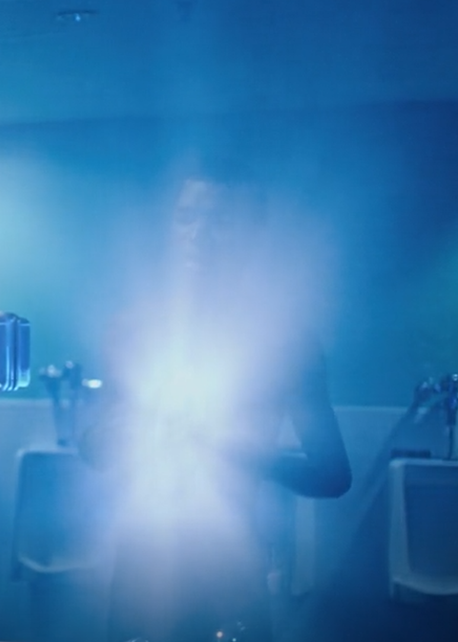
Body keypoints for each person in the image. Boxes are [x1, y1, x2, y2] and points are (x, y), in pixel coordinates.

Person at [80, 158, 352, 642]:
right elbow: (92, 447)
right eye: (187, 217)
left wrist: (236, 449)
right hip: (140, 571)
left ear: (252, 234)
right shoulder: (131, 328)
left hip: (231, 573)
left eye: (220, 221)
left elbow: (333, 474)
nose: (198, 235)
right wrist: (131, 430)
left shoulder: (285, 340)